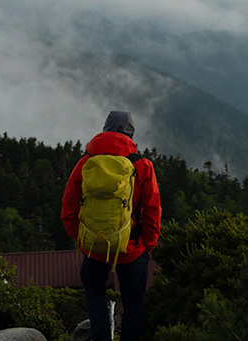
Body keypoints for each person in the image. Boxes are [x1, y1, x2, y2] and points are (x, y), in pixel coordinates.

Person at [61, 111, 162, 341]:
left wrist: (82, 238)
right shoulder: (142, 166)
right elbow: (153, 210)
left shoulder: (86, 163)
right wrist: (148, 243)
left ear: (105, 130)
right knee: (133, 303)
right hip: (131, 247)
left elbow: (68, 206)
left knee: (94, 292)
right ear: (131, 134)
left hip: (94, 247)